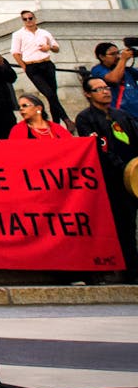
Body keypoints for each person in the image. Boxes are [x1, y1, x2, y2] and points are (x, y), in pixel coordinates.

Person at [74, 77, 138, 284]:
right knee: (124, 225)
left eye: (106, 87)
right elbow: (99, 148)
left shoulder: (123, 115)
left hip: (134, 174)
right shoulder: (86, 118)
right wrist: (122, 167)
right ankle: (130, 271)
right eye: (99, 89)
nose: (105, 91)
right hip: (112, 179)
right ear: (88, 94)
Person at [10, 10, 73, 129]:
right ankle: (66, 119)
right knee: (49, 94)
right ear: (22, 21)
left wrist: (48, 47)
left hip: (47, 64)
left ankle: (55, 124)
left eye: (30, 18)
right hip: (32, 67)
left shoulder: (44, 32)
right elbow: (15, 53)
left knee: (52, 95)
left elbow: (56, 48)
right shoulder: (18, 34)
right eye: (25, 19)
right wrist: (25, 67)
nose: (28, 21)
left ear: (35, 19)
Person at [91, 42, 138, 117]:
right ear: (102, 57)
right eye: (113, 54)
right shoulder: (98, 70)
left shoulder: (127, 70)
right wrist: (123, 59)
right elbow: (114, 79)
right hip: (121, 116)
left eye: (118, 53)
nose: (117, 57)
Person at [8, 93, 74, 140]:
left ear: (38, 108)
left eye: (24, 105)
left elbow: (71, 145)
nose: (21, 109)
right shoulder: (17, 130)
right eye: (19, 107)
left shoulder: (57, 128)